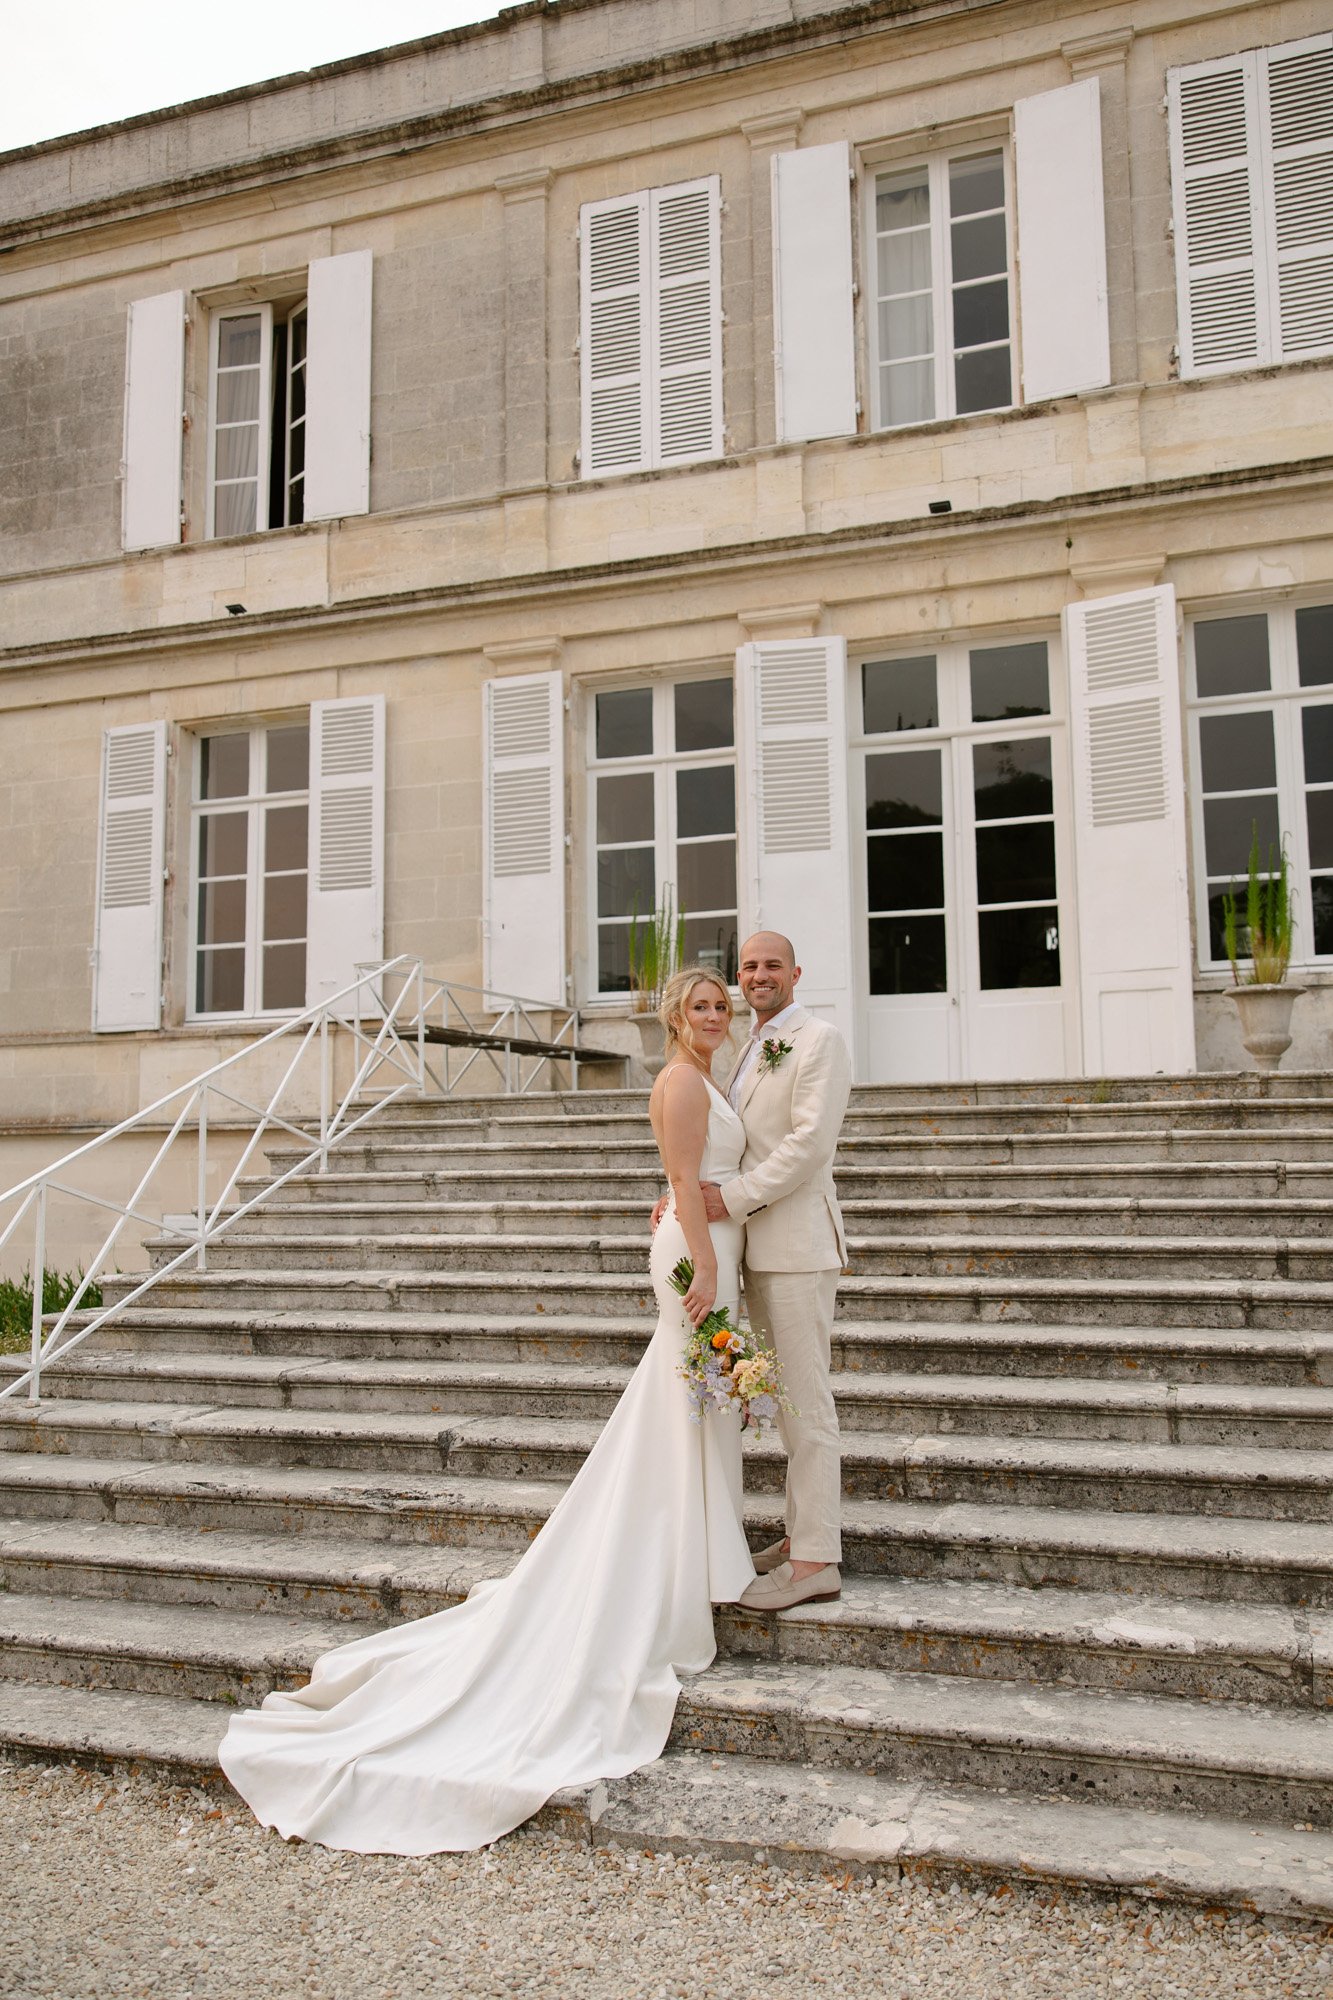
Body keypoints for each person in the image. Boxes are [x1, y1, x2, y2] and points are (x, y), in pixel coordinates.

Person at [218, 967, 755, 1856]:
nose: (712, 1016)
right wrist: (699, 1269)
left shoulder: (705, 1078)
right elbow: (685, 1174)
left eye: (720, 1008)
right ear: (675, 1016)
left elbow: (681, 1174)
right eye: (700, 1006)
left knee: (696, 1407)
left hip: (705, 1245)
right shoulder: (679, 1081)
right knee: (690, 1401)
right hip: (699, 1256)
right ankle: (684, 1557)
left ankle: (702, 1545)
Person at [707, 930, 852, 1612]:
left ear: (796, 972)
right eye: (748, 966)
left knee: (806, 1406)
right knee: (789, 1407)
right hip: (755, 1248)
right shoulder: (748, 1047)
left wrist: (729, 1199)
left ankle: (817, 1560)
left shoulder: (817, 1039)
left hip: (795, 1247)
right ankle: (800, 1538)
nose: (758, 975)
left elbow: (807, 1143)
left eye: (770, 965)